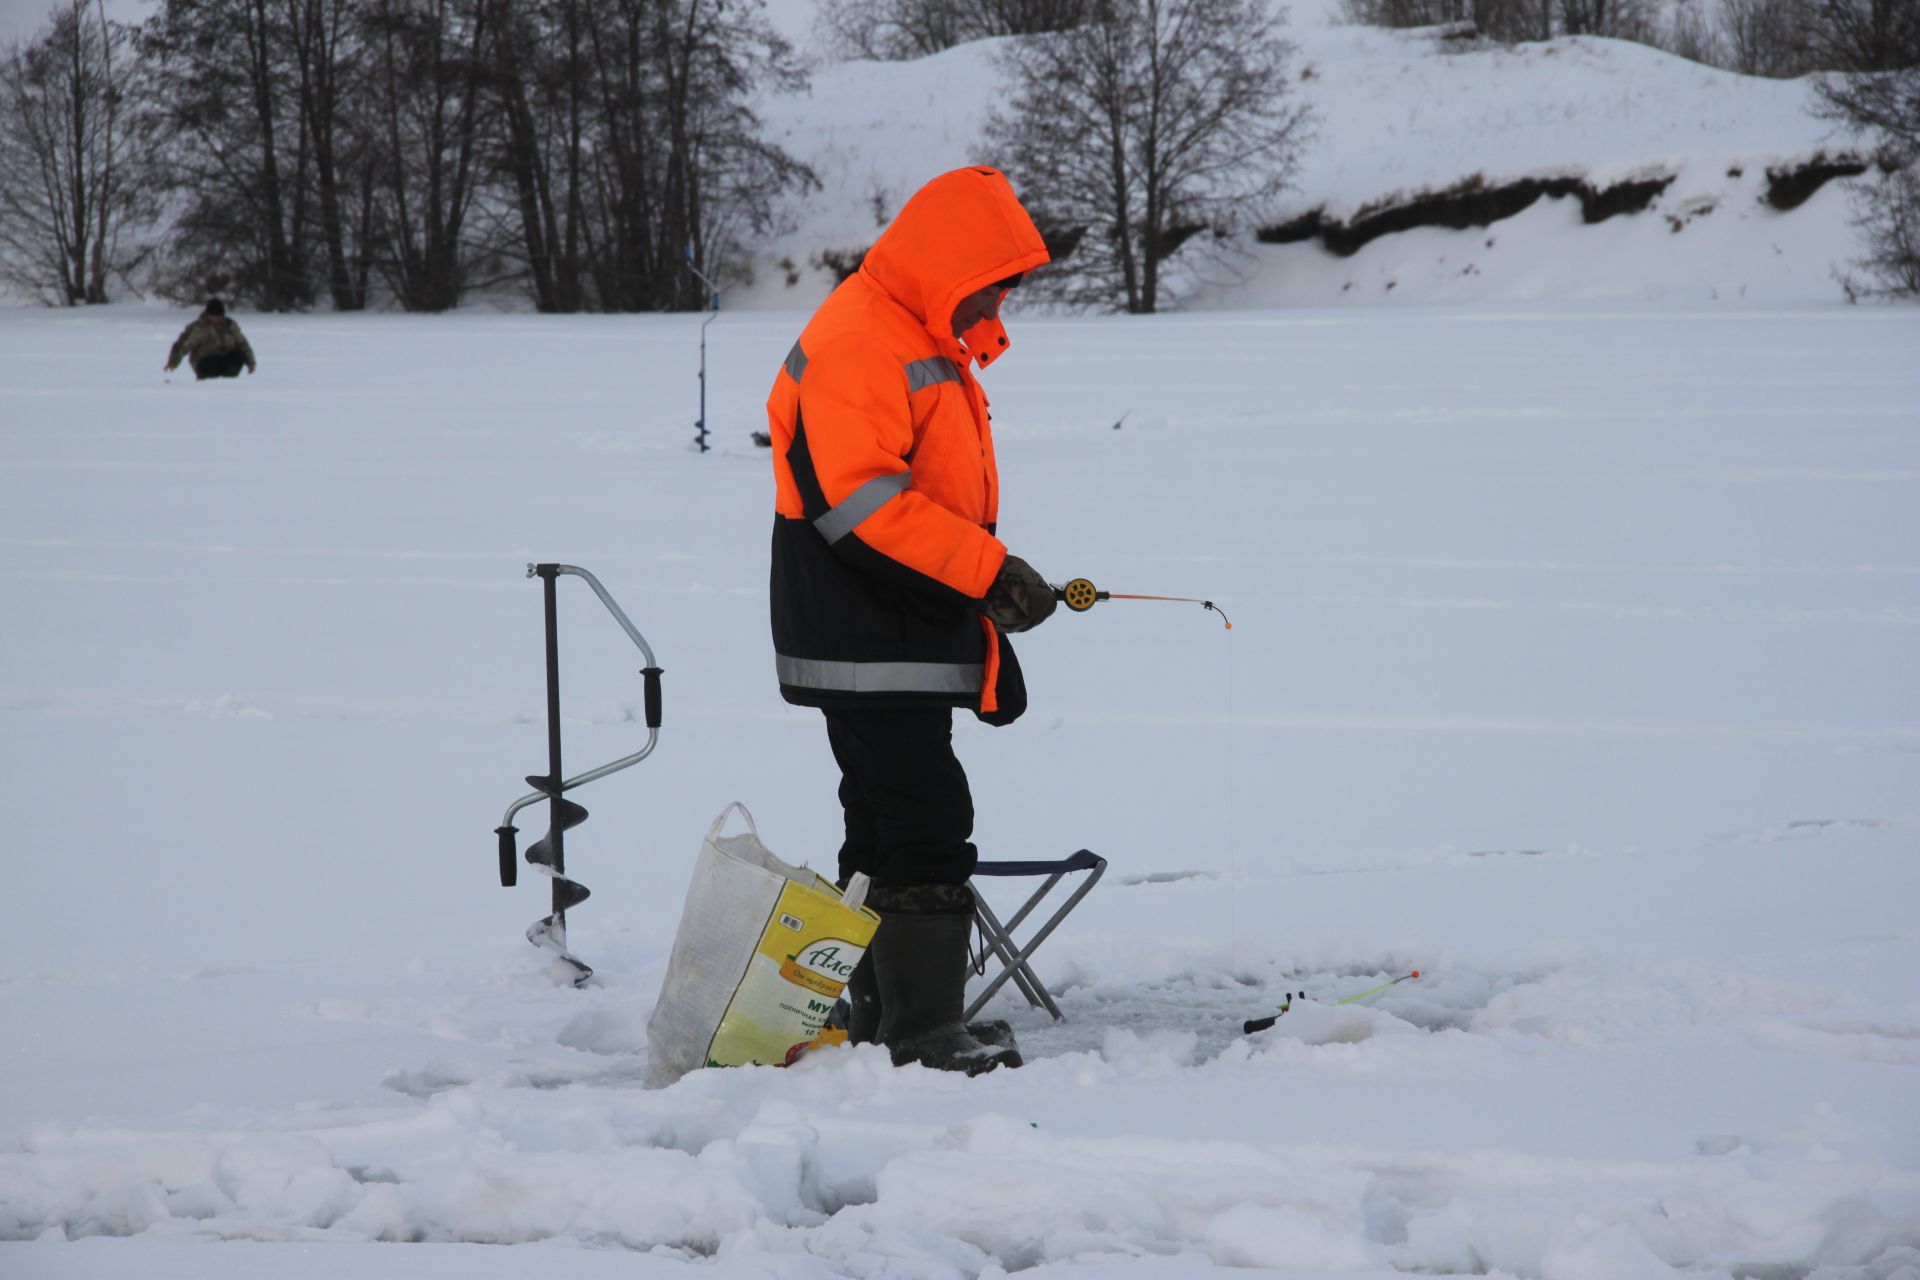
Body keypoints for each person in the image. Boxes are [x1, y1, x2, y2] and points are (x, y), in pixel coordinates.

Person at [765, 165, 1059, 1076]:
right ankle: (922, 1035)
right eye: (993, 281)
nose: (1000, 299)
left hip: (889, 629)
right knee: (925, 817)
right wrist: (990, 571)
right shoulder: (863, 339)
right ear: (949, 265)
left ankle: (886, 1025)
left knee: (885, 821)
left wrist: (980, 581)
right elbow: (863, 504)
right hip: (866, 630)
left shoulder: (906, 329)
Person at [164, 298, 257, 380]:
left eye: (219, 316)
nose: (216, 319)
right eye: (213, 316)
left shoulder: (230, 326)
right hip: (204, 362)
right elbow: (182, 345)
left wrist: (250, 362)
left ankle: (228, 382)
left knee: (237, 356)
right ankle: (208, 383)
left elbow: (243, 344)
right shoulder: (198, 327)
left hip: (225, 361)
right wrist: (173, 362)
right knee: (213, 362)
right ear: (208, 314)